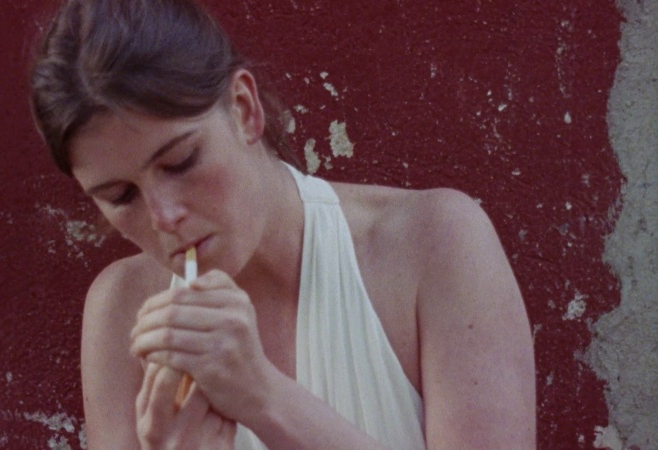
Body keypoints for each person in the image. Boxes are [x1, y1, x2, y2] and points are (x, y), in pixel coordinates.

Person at [29, 0, 536, 448]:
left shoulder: (435, 244)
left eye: (181, 162)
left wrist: (262, 397)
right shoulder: (123, 309)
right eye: (120, 196)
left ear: (244, 109)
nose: (164, 217)